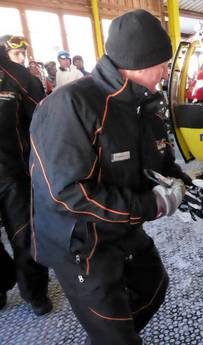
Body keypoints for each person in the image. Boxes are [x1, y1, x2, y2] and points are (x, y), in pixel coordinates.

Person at [29, 9, 186, 345]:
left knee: (153, 286)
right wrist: (151, 204)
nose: (166, 70)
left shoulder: (145, 104)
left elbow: (158, 159)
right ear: (140, 62)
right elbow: (68, 194)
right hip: (80, 243)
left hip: (121, 228)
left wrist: (176, 182)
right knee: (115, 333)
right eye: (163, 62)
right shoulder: (71, 104)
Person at [0, 38, 51, 315]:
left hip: (14, 174)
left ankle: (35, 293)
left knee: (25, 237)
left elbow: (43, 120)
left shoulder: (17, 76)